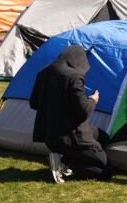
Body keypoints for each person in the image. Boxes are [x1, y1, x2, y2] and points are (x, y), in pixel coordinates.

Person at [30, 46, 113, 183]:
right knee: (106, 171)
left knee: (102, 136)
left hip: (49, 135)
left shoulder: (43, 72)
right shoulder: (74, 77)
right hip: (72, 137)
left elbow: (33, 103)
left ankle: (64, 159)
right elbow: (84, 111)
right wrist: (93, 99)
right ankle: (68, 165)